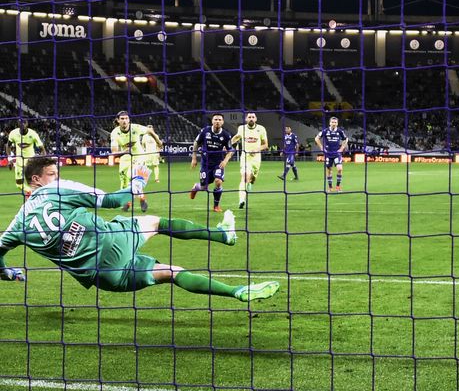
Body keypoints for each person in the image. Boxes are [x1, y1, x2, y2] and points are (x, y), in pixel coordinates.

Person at [0, 157, 280, 302]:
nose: (57, 177)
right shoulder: (56, 190)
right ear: (37, 179)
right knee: (156, 223)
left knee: (171, 273)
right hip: (113, 242)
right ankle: (224, 240)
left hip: (104, 278)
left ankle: (238, 291)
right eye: (53, 174)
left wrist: (6, 272)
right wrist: (137, 182)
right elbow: (111, 200)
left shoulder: (17, 225)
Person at [111, 111, 162, 212]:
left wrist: (158, 141)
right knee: (124, 183)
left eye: (126, 118)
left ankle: (142, 199)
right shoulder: (114, 133)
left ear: (129, 120)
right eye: (122, 119)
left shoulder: (135, 128)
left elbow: (150, 130)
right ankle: (128, 202)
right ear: (118, 120)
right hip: (125, 158)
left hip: (138, 156)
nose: (124, 121)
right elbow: (114, 152)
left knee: (133, 176)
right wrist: (124, 151)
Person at [190, 113, 234, 212]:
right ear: (212, 121)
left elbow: (231, 150)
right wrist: (194, 158)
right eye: (215, 119)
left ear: (222, 122)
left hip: (218, 164)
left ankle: (216, 206)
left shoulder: (226, 135)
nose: (217, 121)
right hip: (205, 164)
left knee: (218, 182)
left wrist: (226, 160)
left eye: (219, 120)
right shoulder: (205, 131)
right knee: (203, 187)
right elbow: (196, 143)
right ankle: (196, 187)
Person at [230, 112, 268, 209]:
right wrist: (228, 144)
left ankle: (250, 183)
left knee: (252, 179)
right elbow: (237, 137)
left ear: (256, 119)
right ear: (246, 119)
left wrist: (256, 149)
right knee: (244, 177)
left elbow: (265, 145)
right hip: (245, 157)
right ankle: (241, 200)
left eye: (253, 117)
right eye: (249, 117)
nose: (251, 118)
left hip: (256, 159)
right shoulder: (241, 128)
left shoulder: (261, 129)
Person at [5, 119, 47, 195]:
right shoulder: (13, 133)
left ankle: (39, 194)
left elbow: (42, 149)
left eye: (24, 122)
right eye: (20, 122)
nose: (22, 124)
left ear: (27, 123)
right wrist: (10, 159)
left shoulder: (33, 134)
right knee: (19, 184)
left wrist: (43, 160)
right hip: (19, 163)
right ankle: (31, 192)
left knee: (34, 182)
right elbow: (8, 146)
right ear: (18, 124)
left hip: (31, 163)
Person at [314, 117, 348, 192]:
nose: (334, 124)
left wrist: (342, 148)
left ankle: (338, 186)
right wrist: (321, 147)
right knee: (329, 170)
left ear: (337, 123)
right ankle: (330, 187)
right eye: (332, 122)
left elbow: (346, 139)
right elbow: (316, 138)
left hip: (337, 153)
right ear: (330, 123)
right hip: (328, 154)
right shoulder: (325, 131)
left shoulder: (340, 131)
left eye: (335, 122)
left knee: (339, 168)